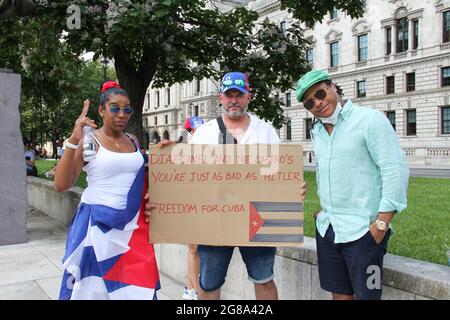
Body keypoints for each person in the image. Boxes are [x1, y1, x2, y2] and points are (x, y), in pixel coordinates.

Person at [186, 71, 306, 300]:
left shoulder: (266, 131)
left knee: (264, 279)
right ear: (220, 98)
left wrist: (293, 190)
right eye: (228, 95)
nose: (234, 100)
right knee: (209, 284)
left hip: (257, 219)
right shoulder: (203, 133)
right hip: (215, 220)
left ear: (248, 97)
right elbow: (188, 177)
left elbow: (282, 173)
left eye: (239, 95)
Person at [295, 70, 409, 300]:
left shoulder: (370, 120)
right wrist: (324, 211)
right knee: (340, 295)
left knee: (368, 297)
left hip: (364, 233)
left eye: (320, 93)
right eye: (309, 102)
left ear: (333, 86)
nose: (317, 102)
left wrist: (381, 224)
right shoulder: (317, 131)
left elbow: (395, 170)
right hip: (328, 230)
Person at [54, 81, 160, 300]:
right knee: (93, 290)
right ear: (101, 111)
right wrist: (73, 139)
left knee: (134, 289)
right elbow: (61, 184)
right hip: (96, 228)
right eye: (115, 108)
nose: (122, 114)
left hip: (131, 229)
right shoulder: (89, 141)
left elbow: (140, 179)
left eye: (127, 109)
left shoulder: (133, 140)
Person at [180, 116, 204, 300]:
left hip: (209, 206)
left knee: (202, 249)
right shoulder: (183, 153)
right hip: (191, 204)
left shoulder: (212, 149)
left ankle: (195, 287)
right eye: (193, 131)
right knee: (194, 248)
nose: (196, 134)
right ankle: (191, 289)